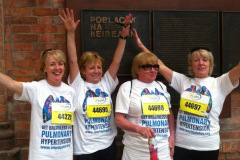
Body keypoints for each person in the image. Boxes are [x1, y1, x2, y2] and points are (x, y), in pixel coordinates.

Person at [133, 28, 240, 160]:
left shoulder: (220, 83)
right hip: (182, 146)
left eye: (205, 60)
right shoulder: (183, 81)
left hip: (208, 147)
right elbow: (158, 64)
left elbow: (238, 69)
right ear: (191, 64)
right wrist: (141, 46)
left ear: (210, 64)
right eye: (196, 60)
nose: (201, 63)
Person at [59, 8, 132, 160]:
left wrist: (123, 37)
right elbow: (72, 60)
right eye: (92, 67)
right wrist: (71, 32)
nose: (97, 71)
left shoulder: (106, 83)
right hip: (85, 150)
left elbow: (116, 62)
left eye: (99, 67)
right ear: (83, 71)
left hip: (108, 145)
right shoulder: (77, 85)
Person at [0, 49, 76, 160]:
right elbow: (11, 84)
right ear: (44, 68)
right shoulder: (36, 88)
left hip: (65, 154)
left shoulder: (71, 92)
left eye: (60, 64)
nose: (57, 68)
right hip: (41, 155)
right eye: (52, 64)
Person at [115, 50, 175, 160]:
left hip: (162, 149)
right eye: (148, 67)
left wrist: (172, 135)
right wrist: (139, 129)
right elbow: (118, 119)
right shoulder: (127, 87)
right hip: (136, 150)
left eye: (155, 67)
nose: (153, 70)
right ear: (138, 69)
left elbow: (169, 112)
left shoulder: (161, 86)